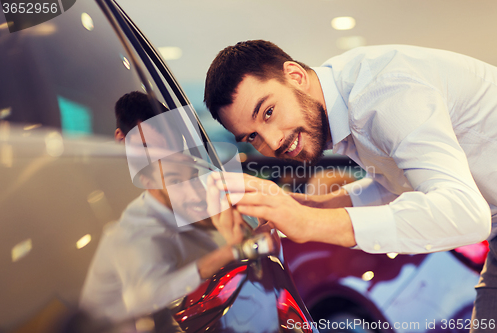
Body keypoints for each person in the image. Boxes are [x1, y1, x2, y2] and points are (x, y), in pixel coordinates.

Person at [204, 41, 497, 331]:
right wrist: (315, 206)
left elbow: (466, 213)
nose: (272, 141)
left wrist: (310, 222)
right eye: (252, 136)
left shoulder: (384, 93)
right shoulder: (345, 99)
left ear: (295, 76)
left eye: (268, 112)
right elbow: (400, 180)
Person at [79, 92, 253, 323]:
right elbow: (148, 298)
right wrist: (229, 253)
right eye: (147, 148)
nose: (161, 161)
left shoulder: (190, 186)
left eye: (171, 150)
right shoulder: (127, 221)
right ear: (121, 140)